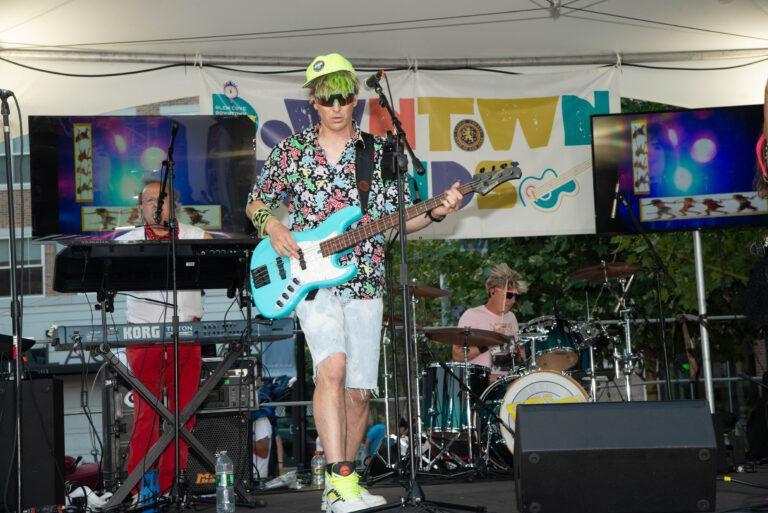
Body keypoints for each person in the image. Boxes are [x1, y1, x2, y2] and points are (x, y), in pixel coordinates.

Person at [245, 53, 463, 513]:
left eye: (343, 98)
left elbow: (399, 221)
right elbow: (255, 202)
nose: (336, 107)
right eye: (327, 99)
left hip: (365, 277)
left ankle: (342, 484)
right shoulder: (292, 151)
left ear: (355, 99)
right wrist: (274, 226)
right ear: (313, 102)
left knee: (360, 390)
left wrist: (437, 211)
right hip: (311, 279)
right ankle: (340, 480)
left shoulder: (378, 151)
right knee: (333, 368)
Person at [118, 179, 211, 495]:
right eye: (149, 201)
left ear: (175, 204)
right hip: (143, 337)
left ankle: (172, 486)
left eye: (163, 199)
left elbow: (220, 260)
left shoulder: (197, 236)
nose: (156, 206)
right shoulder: (126, 242)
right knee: (147, 414)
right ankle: (141, 491)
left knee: (184, 415)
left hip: (187, 334)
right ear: (141, 208)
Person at [453, 264, 527, 380]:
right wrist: (488, 343)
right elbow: (457, 355)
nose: (513, 301)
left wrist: (521, 355)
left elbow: (517, 356)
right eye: (509, 295)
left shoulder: (511, 317)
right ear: (492, 291)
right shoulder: (472, 315)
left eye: (516, 297)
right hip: (481, 384)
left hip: (508, 381)